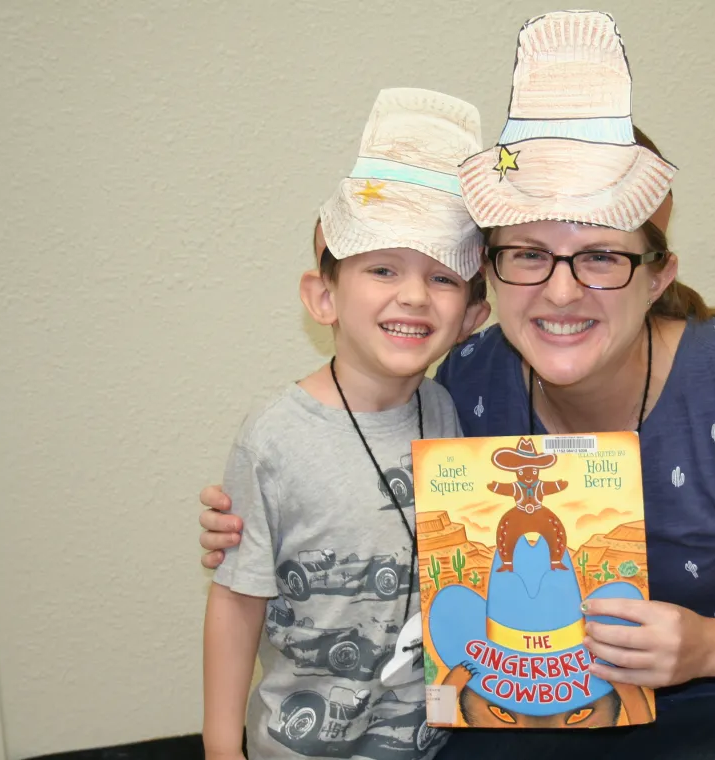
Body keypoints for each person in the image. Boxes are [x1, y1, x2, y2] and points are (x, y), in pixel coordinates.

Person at [199, 11, 715, 760]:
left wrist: (708, 648)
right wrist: (258, 517)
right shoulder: (471, 388)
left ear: (658, 276)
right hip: (557, 686)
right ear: (491, 279)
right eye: (531, 255)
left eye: (602, 257)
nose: (563, 292)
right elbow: (388, 485)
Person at [201, 88, 490, 760]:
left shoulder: (446, 412)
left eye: (444, 278)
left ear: (474, 315)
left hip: (429, 742)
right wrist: (221, 747)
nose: (414, 295)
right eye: (383, 268)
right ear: (323, 296)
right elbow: (236, 604)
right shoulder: (274, 439)